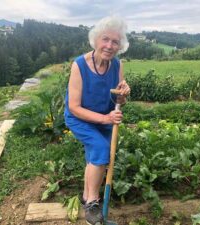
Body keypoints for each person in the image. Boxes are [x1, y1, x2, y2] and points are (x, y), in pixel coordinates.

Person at [64, 16, 130, 225]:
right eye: (105, 39)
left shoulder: (117, 65)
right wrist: (105, 118)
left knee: (101, 155)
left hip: (104, 117)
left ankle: (87, 196)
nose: (109, 46)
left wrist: (123, 96)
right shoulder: (79, 65)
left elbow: (117, 99)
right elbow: (74, 107)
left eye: (115, 42)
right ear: (96, 40)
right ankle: (92, 202)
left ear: (120, 46)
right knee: (101, 149)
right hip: (80, 118)